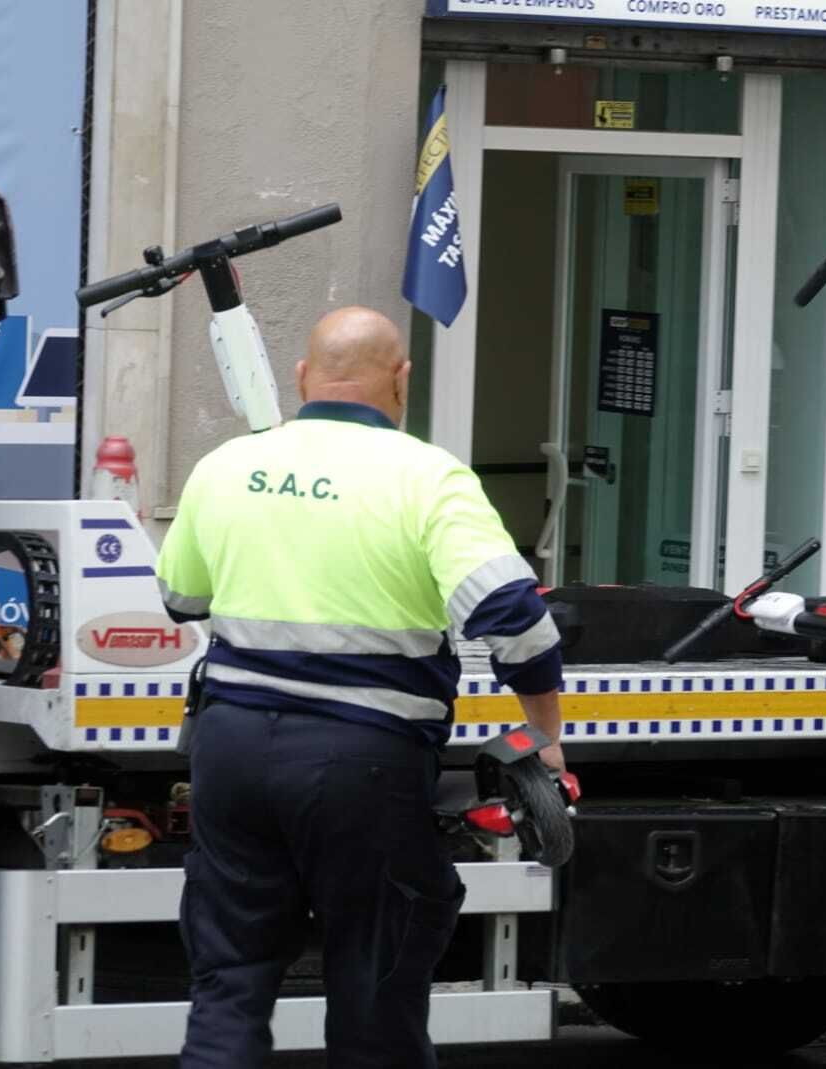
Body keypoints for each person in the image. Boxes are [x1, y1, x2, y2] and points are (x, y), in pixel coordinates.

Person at [156, 306, 566, 1069]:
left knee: (229, 983)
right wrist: (546, 733)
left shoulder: (226, 465)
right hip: (362, 758)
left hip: (233, 746)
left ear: (305, 376)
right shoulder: (427, 476)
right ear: (402, 378)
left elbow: (181, 598)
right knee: (376, 986)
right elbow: (515, 617)